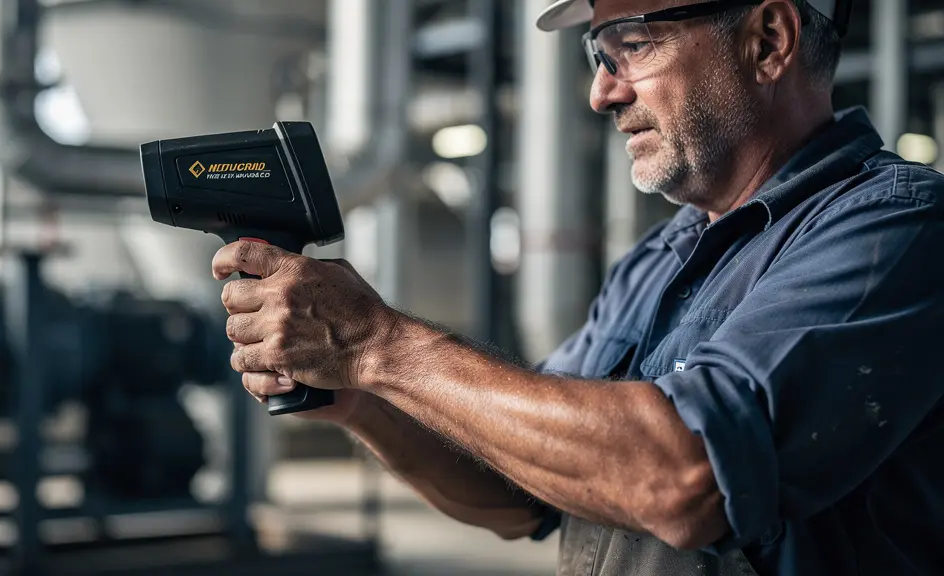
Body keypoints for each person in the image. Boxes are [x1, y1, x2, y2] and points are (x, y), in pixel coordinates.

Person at [211, 0, 944, 574]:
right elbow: (522, 490)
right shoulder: (660, 258)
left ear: (769, 41)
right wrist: (362, 400)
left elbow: (687, 478)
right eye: (598, 55)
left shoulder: (898, 229)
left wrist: (381, 345)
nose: (600, 92)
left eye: (632, 44)